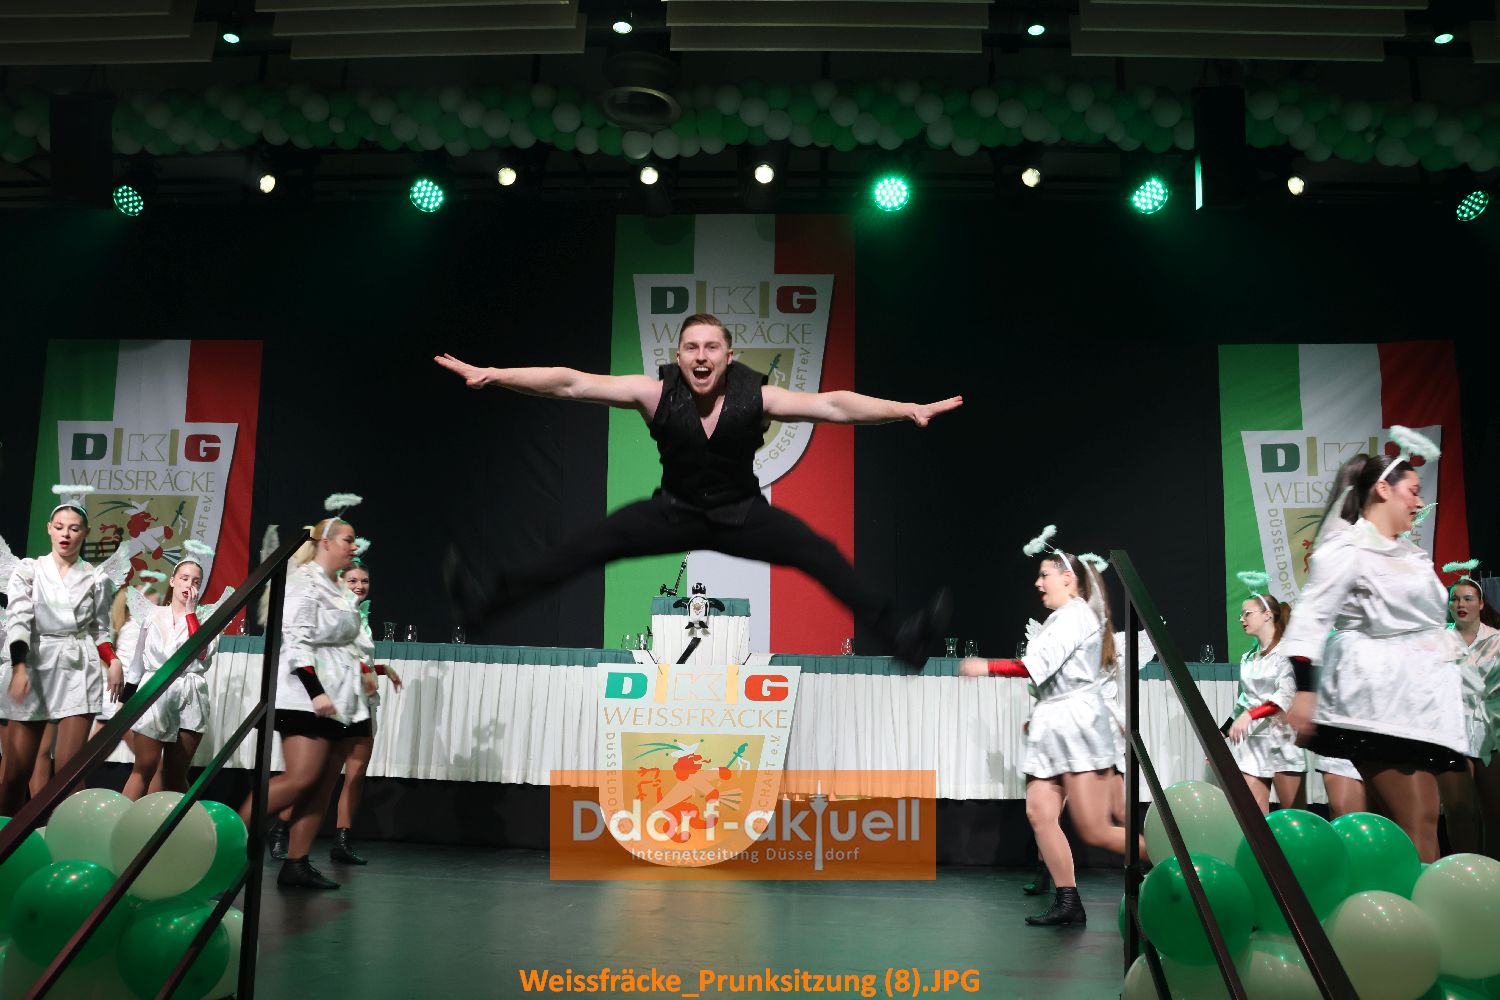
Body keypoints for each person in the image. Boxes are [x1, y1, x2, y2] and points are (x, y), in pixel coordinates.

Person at [435, 313, 960, 665]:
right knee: (586, 546)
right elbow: (571, 382)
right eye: (691, 347)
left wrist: (905, 410)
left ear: (729, 356)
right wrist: (494, 374)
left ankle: (903, 639)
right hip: (674, 511)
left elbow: (834, 404)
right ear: (680, 355)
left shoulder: (759, 397)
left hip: (742, 514)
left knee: (819, 554)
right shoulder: (653, 393)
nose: (701, 355)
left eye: (712, 347)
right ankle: (486, 606)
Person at [1285, 432, 1465, 863]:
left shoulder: (1409, 554)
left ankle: (1402, 900)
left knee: (1418, 825)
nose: (1419, 502)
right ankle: (1419, 904)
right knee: (1417, 825)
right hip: (1379, 701)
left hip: (1420, 703)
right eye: (1413, 491)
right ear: (1383, 489)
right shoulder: (1348, 548)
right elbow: (1311, 618)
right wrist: (1305, 690)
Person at [960, 527, 1143, 927]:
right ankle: (1067, 899)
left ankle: (1176, 864)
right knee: (1040, 813)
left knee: (1096, 830)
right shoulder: (1061, 619)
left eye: (1044, 574)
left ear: (1068, 578)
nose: (1037, 583)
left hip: (1077, 726)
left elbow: (1034, 667)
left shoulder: (1075, 615)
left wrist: (985, 666)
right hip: (1055, 724)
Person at [241, 504, 368, 890]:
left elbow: (347, 640)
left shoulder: (336, 587)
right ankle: (230, 835)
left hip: (339, 699)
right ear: (325, 543)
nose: (354, 546)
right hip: (306, 696)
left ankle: (297, 862)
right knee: (302, 778)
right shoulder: (305, 582)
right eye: (348, 540)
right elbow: (295, 640)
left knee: (322, 784)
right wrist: (316, 692)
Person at [1, 488, 131, 815]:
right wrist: (19, 667)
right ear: (49, 528)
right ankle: (7, 837)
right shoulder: (29, 571)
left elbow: (100, 630)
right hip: (35, 661)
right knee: (16, 773)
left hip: (77, 666)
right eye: (59, 527)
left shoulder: (96, 578)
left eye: (74, 528)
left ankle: (67, 836)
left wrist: (113, 660)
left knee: (69, 772)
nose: (66, 534)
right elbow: (18, 621)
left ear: (85, 533)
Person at [268, 556, 404, 864]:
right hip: (338, 702)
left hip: (363, 702)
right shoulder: (330, 612)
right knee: (319, 777)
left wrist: (381, 669)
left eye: (364, 581)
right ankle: (280, 829)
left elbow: (360, 662)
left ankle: (342, 840)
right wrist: (364, 673)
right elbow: (326, 658)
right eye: (352, 580)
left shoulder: (359, 616)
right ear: (339, 581)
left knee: (356, 774)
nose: (359, 586)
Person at [121, 546, 222, 800]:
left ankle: (180, 824)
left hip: (190, 694)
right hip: (154, 691)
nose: (189, 585)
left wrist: (190, 614)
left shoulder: (207, 618)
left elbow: (201, 653)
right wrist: (126, 701)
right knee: (144, 767)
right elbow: (137, 662)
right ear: (173, 581)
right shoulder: (152, 615)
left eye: (196, 581)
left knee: (176, 775)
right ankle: (123, 821)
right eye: (185, 578)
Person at [1225, 575, 1305, 815]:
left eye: (1247, 614)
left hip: (1283, 739)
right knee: (1252, 816)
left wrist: (1250, 715)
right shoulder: (1248, 658)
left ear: (1267, 615)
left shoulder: (1287, 652)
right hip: (1253, 742)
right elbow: (1243, 702)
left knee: (1294, 816)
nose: (1242, 619)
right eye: (1241, 615)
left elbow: (1285, 696)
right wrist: (1222, 732)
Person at [1438, 563, 1500, 854]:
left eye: (1467, 598)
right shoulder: (1439, 641)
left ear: (1481, 603)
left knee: (1494, 810)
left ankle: (1494, 871)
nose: (1461, 604)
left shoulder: (1497, 639)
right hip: (1452, 730)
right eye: (1455, 599)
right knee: (1458, 811)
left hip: (1492, 729)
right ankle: (1465, 869)